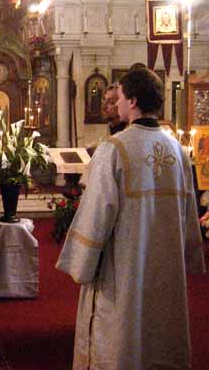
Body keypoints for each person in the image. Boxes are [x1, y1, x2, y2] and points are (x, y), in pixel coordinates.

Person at [56, 67, 206, 369]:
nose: (118, 103)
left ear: (133, 101)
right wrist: (189, 256)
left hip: (124, 266)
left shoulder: (114, 149)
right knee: (160, 332)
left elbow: (97, 214)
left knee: (121, 334)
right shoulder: (177, 150)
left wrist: (81, 262)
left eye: (120, 97)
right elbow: (189, 214)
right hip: (166, 268)